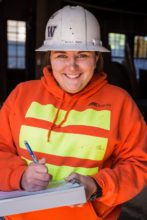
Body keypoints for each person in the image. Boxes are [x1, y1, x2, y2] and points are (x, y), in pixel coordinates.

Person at [0, 5, 147, 220]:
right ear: (49, 57)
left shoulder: (119, 103)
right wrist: (20, 176)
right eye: (61, 55)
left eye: (82, 55)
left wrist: (97, 185)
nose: (72, 67)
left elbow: (138, 164)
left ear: (96, 58)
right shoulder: (22, 96)